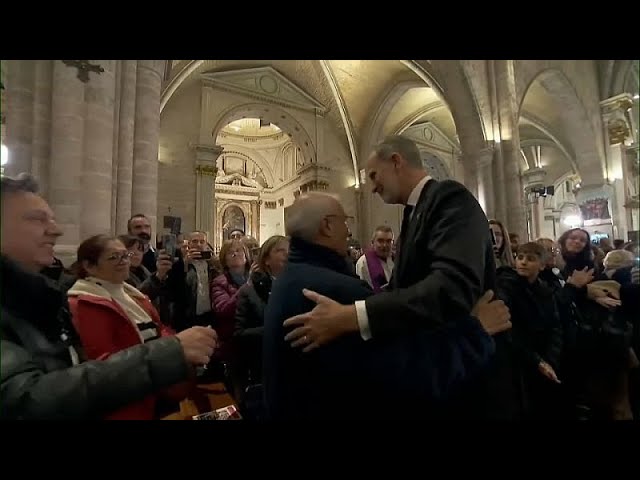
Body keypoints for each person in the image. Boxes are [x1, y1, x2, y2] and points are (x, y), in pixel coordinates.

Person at [264, 193, 511, 420]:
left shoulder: (291, 277)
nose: (348, 229)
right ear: (327, 226)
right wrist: (475, 333)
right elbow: (408, 375)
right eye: (344, 220)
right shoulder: (336, 292)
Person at [0, 173, 217, 420]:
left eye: (125, 256)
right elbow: (24, 401)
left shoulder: (40, 295)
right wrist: (170, 353)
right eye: (37, 219)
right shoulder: (81, 301)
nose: (56, 230)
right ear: (90, 266)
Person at [283, 135, 498, 352]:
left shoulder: (449, 198)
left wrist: (354, 316)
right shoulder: (413, 213)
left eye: (374, 175)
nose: (373, 188)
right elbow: (401, 289)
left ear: (396, 162)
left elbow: (452, 289)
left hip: (468, 357)